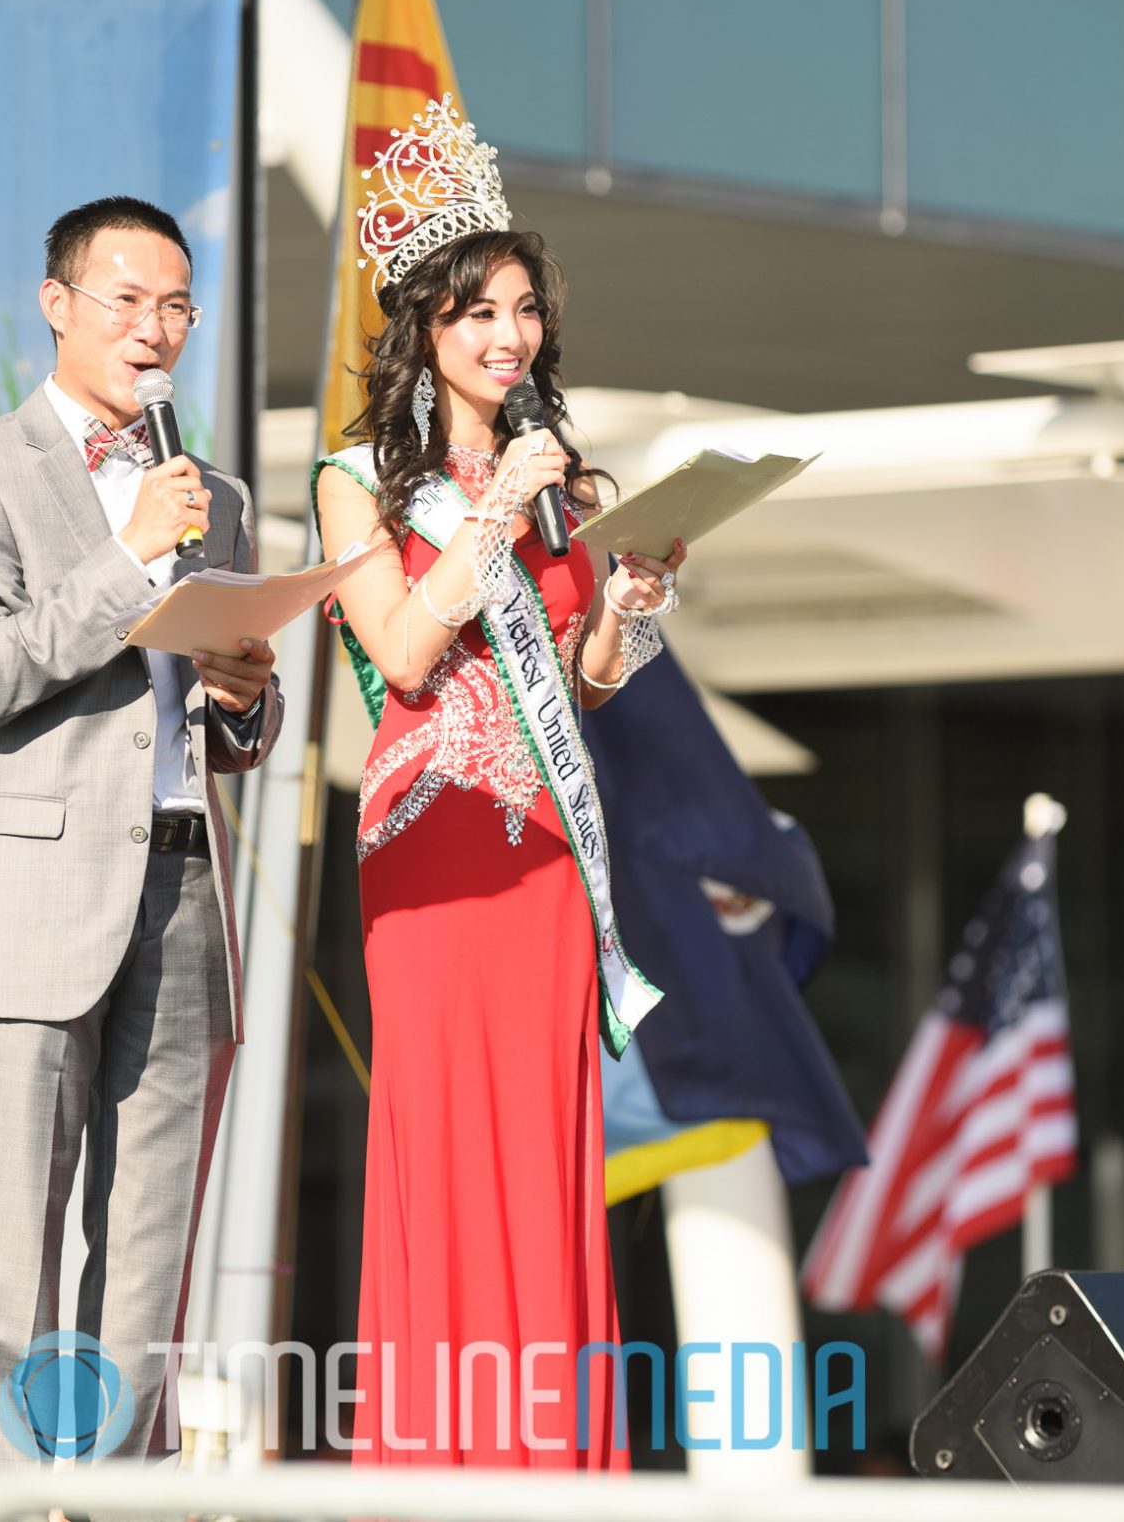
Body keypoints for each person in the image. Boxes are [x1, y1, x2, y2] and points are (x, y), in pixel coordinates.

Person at [311, 98, 686, 1468]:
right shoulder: (357, 483)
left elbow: (578, 685)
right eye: (476, 310)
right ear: (424, 323)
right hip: (436, 851)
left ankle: (554, 1468)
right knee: (450, 1149)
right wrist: (488, 506)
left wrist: (628, 600)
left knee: (547, 1156)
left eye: (524, 311)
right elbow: (406, 654)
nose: (506, 336)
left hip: (544, 863)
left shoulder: (558, 484)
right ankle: (442, 1464)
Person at [0, 195, 283, 1483]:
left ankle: (116, 1492)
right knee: (16, 1230)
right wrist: (129, 562)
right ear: (56, 304)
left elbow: (219, 718)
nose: (155, 328)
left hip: (184, 878)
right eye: (125, 299)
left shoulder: (216, 495)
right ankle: (6, 1497)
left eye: (177, 305)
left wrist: (244, 697)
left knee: (148, 1240)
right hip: (38, 889)